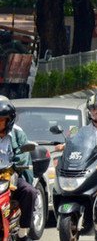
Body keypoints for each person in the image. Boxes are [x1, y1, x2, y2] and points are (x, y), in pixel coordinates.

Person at [0, 102, 37, 240]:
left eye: (2, 120)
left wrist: (14, 165)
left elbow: (23, 154)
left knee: (29, 191)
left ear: (9, 120)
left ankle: (23, 231)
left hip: (11, 174)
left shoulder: (17, 132)